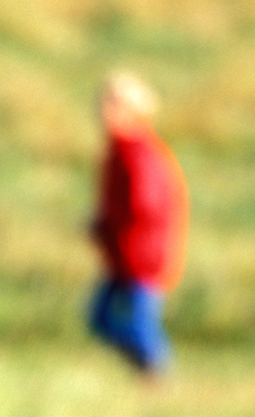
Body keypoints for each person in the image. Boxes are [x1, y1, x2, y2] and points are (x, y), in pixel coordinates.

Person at [87, 71, 188, 376]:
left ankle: (159, 375)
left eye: (115, 105)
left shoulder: (139, 153)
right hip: (123, 256)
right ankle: (145, 373)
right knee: (102, 319)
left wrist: (108, 224)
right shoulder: (121, 151)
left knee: (140, 326)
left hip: (143, 258)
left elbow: (144, 205)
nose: (106, 112)